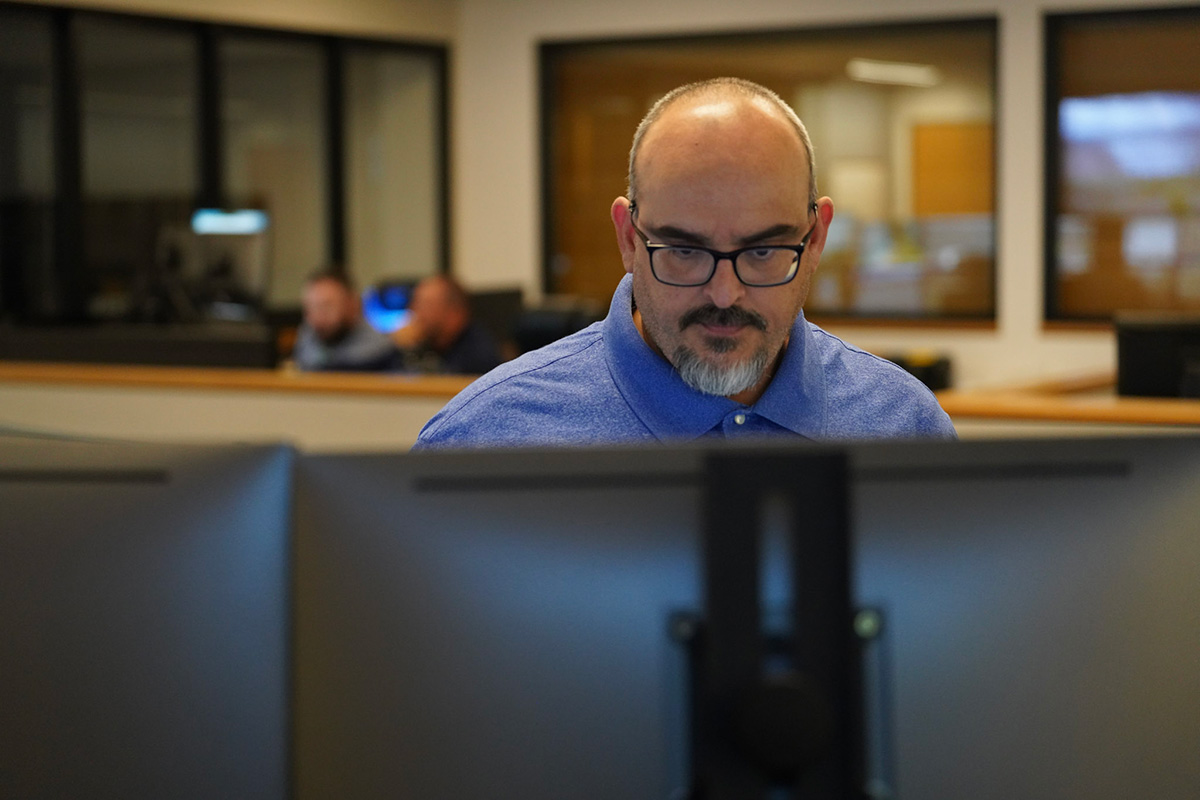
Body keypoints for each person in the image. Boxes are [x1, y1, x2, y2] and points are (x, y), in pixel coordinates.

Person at [415, 77, 955, 448]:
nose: (724, 294)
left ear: (816, 240)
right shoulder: (487, 438)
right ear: (628, 239)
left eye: (763, 251)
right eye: (684, 251)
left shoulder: (904, 425)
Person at [391, 274, 504, 374]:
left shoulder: (480, 354)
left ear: (454, 312)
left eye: (425, 305)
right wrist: (402, 348)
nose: (414, 310)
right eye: (415, 303)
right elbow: (375, 370)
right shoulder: (424, 343)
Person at [292, 270, 397, 371]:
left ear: (353, 304)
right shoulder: (307, 340)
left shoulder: (381, 353)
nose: (317, 316)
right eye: (311, 307)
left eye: (326, 307)